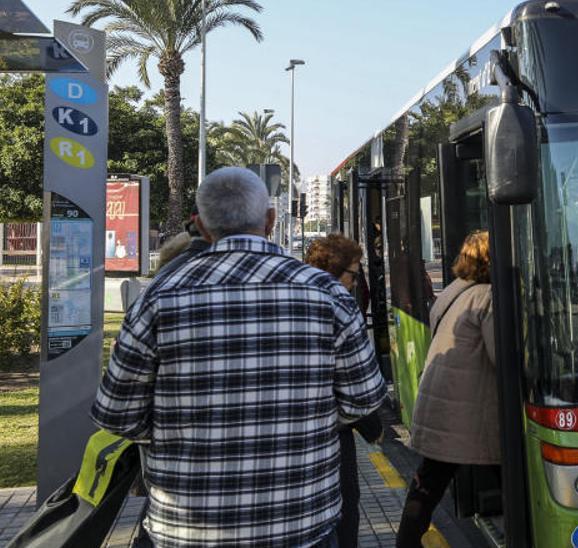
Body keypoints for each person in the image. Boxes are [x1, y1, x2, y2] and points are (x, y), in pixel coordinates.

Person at [92, 167, 386, 548]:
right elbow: (362, 400)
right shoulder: (328, 295)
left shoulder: (159, 299)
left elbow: (117, 416)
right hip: (301, 526)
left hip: (184, 532)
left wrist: (181, 431)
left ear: (200, 225)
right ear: (269, 220)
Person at [397, 231, 497, 548]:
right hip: (464, 408)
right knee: (507, 472)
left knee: (429, 482)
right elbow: (503, 357)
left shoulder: (454, 290)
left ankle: (406, 542)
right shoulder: (487, 297)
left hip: (440, 402)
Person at [304, 234, 386, 548]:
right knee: (343, 513)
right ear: (336, 270)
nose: (355, 282)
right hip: (332, 443)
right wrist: (371, 427)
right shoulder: (336, 303)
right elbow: (361, 394)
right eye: (354, 274)